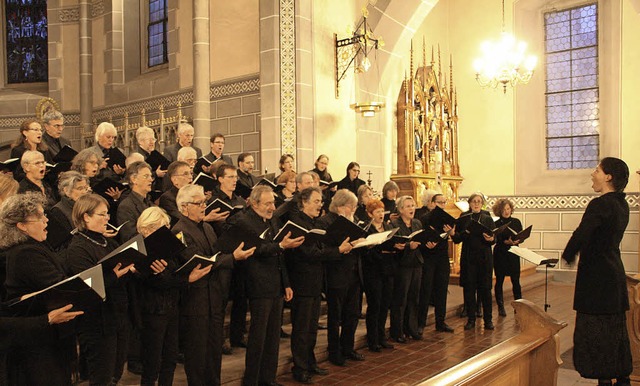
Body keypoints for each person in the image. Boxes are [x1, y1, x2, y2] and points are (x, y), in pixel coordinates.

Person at [173, 184, 254, 385]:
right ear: (184, 207)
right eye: (198, 203)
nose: (203, 206)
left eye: (204, 202)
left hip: (214, 296)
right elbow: (199, 261)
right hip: (195, 300)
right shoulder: (179, 231)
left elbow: (215, 253)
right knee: (197, 353)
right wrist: (232, 257)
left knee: (214, 350)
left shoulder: (208, 227)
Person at [562, 157, 632, 386]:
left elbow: (583, 233)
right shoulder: (622, 204)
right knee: (615, 333)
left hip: (598, 280)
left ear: (608, 176)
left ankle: (604, 380)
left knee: (598, 335)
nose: (593, 174)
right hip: (614, 274)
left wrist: (568, 254)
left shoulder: (601, 204)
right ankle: (622, 379)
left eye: (597, 170)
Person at [0, 193, 75, 385]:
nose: (46, 220)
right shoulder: (26, 253)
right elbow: (62, 287)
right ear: (21, 225)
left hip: (40, 342)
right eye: (40, 216)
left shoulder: (31, 247)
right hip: (37, 348)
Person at [234, 185, 303, 386]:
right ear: (254, 203)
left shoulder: (272, 220)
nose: (272, 207)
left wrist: (286, 284)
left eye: (273, 202)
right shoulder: (245, 222)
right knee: (258, 337)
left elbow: (279, 256)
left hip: (275, 285)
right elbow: (257, 249)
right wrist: (281, 245)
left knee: (273, 337)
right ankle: (252, 381)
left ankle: (268, 379)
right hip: (258, 285)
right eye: (267, 203)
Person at [136, 207, 211, 386]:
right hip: (153, 310)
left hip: (171, 305)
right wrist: (186, 279)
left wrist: (182, 274)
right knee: (152, 362)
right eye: (163, 227)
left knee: (170, 359)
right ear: (147, 229)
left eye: (168, 226)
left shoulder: (166, 245)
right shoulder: (139, 250)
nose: (168, 231)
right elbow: (152, 282)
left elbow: (173, 271)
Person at [65, 194, 135, 386]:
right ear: (86, 217)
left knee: (116, 372)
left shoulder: (107, 242)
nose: (107, 219)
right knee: (102, 377)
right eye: (102, 215)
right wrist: (115, 275)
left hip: (118, 315)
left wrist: (132, 268)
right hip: (96, 322)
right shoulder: (78, 248)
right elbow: (87, 286)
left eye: (107, 214)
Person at [285, 187, 331, 383]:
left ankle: (310, 362)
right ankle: (300, 367)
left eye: (321, 201)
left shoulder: (315, 223)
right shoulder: (297, 224)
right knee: (302, 329)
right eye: (316, 201)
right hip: (301, 283)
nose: (319, 205)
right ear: (303, 202)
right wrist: (337, 251)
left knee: (311, 328)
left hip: (314, 282)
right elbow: (307, 253)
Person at [316, 189, 362, 366]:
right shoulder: (325, 222)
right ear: (341, 207)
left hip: (354, 273)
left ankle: (348, 348)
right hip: (336, 273)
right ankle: (334, 351)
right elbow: (324, 249)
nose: (354, 210)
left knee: (352, 314)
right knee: (335, 316)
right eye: (352, 207)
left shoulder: (353, 220)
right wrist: (342, 247)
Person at [451, 192, 496, 331]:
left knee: (485, 289)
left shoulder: (487, 218)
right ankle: (470, 319)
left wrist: (491, 239)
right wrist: (459, 234)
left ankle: (488, 320)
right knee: (469, 289)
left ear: (482, 203)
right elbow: (457, 239)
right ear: (469, 203)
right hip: (469, 257)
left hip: (484, 257)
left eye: (479, 201)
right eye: (474, 201)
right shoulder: (464, 218)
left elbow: (494, 237)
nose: (476, 203)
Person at [361, 199, 396, 351]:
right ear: (370, 214)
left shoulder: (388, 227)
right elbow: (366, 253)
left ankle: (381, 337)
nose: (381, 214)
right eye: (377, 212)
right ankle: (372, 339)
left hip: (388, 270)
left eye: (382, 211)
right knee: (374, 305)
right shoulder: (367, 230)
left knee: (384, 305)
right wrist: (380, 251)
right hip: (373, 271)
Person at [389, 195, 424, 342]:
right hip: (402, 265)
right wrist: (409, 245)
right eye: (408, 206)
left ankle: (412, 328)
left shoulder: (416, 223)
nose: (412, 209)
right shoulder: (394, 224)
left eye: (413, 205)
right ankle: (398, 331)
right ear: (401, 209)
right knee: (400, 299)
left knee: (413, 298)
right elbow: (394, 244)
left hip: (416, 263)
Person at [419, 193, 454, 333]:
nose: (442, 205)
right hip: (428, 257)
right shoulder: (424, 218)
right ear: (432, 203)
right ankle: (420, 323)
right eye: (440, 202)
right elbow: (421, 236)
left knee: (441, 289)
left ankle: (441, 322)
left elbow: (453, 237)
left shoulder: (446, 219)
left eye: (444, 202)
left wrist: (450, 232)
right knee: (426, 290)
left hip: (442, 257)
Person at [492, 198, 523, 317]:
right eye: (504, 209)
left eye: (508, 209)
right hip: (501, 253)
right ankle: (501, 307)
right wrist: (505, 241)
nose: (506, 211)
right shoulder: (496, 223)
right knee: (499, 280)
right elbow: (495, 238)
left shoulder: (516, 221)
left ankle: (519, 306)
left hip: (514, 252)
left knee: (516, 280)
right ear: (499, 211)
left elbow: (520, 235)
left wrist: (517, 240)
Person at [48, 171, 91, 250]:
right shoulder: (57, 211)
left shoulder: (88, 204)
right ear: (67, 191)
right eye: (80, 188)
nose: (84, 192)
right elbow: (64, 243)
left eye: (85, 188)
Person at [117, 161, 155, 242]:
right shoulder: (126, 207)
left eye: (151, 176)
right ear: (133, 179)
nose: (151, 180)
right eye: (146, 176)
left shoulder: (150, 203)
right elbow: (130, 238)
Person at [159, 161, 193, 225]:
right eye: (185, 174)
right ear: (175, 180)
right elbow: (179, 219)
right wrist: (203, 218)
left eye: (191, 173)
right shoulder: (167, 198)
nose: (190, 177)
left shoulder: (194, 195)